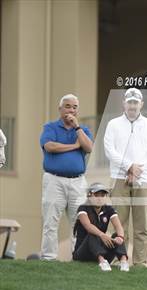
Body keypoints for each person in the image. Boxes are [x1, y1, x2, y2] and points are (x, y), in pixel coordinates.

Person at [104, 88, 147, 266]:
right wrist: (129, 166)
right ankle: (118, 258)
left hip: (143, 179)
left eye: (136, 102)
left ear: (141, 104)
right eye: (129, 102)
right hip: (119, 178)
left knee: (142, 225)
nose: (132, 105)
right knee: (119, 222)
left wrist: (138, 170)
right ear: (124, 104)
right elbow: (109, 150)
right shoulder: (113, 124)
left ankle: (140, 263)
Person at [39, 94, 93, 260]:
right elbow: (50, 146)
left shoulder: (83, 130)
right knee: (50, 221)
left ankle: (78, 257)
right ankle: (49, 258)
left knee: (80, 222)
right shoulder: (50, 127)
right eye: (68, 106)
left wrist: (77, 128)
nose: (71, 110)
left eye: (75, 107)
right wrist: (74, 146)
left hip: (77, 181)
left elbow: (89, 147)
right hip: (54, 180)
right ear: (60, 109)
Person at [73, 182, 129, 272]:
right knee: (93, 233)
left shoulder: (108, 209)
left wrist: (120, 237)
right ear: (89, 196)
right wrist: (102, 235)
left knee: (116, 236)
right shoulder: (83, 208)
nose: (99, 198)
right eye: (96, 195)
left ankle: (123, 261)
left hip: (100, 249)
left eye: (102, 195)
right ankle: (102, 261)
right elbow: (88, 226)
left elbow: (119, 227)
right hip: (82, 253)